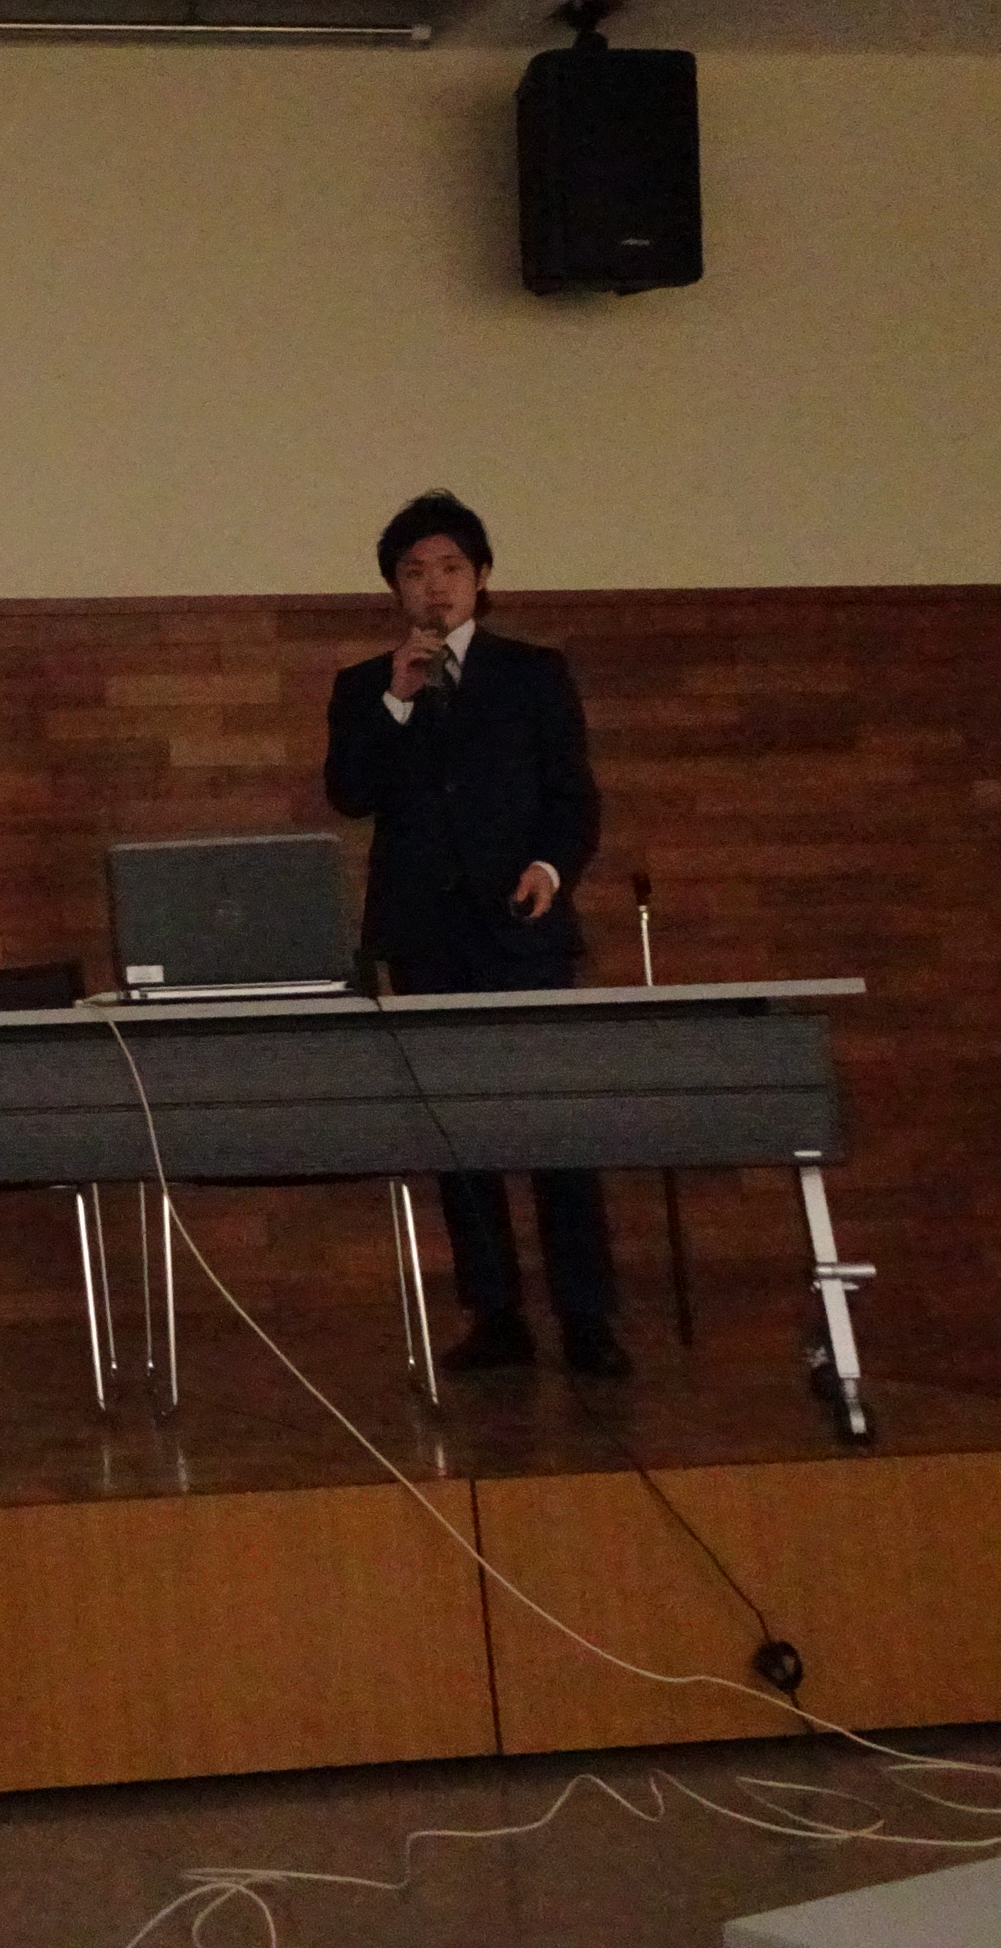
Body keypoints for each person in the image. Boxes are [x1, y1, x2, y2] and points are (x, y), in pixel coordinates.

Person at [322, 490, 626, 1378]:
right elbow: (350, 794)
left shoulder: (533, 673)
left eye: (451, 567)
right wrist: (397, 701)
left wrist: (549, 870)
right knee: (457, 1132)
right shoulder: (366, 686)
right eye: (415, 572)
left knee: (555, 1127)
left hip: (523, 930)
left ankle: (587, 1318)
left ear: (482, 576)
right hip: (425, 937)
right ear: (394, 588)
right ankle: (496, 1316)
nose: (435, 586)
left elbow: (573, 798)